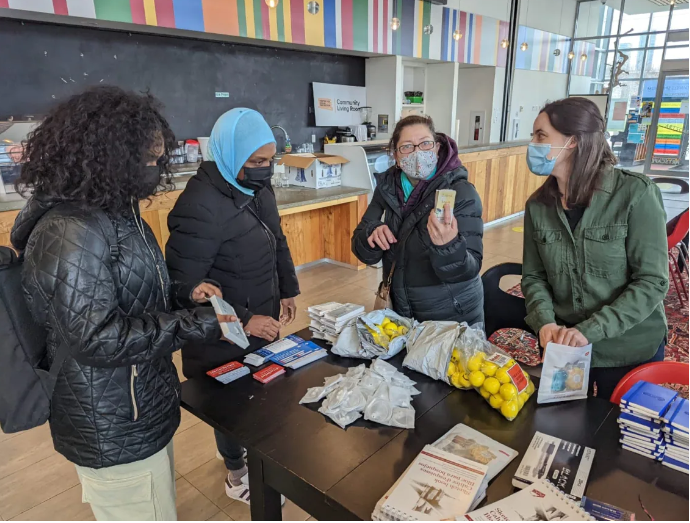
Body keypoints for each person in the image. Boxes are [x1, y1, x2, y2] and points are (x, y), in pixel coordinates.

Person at [10, 86, 237, 521]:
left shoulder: (116, 215)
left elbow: (133, 294)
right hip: (110, 418)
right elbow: (98, 339)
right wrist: (197, 324)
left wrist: (184, 294)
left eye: (158, 158)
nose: (155, 168)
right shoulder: (71, 231)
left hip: (138, 402)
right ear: (108, 157)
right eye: (148, 159)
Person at [166, 108, 299, 504]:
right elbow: (184, 288)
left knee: (259, 397)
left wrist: (287, 290)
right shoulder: (199, 207)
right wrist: (243, 320)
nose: (265, 169)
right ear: (229, 155)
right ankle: (236, 472)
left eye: (270, 160)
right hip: (219, 334)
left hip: (262, 314)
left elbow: (277, 240)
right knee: (230, 405)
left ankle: (259, 458)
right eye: (256, 162)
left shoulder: (259, 189)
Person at [521, 97, 669, 400]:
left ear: (572, 141)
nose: (533, 144)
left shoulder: (635, 194)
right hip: (567, 351)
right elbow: (534, 276)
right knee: (563, 431)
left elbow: (652, 281)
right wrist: (545, 321)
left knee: (618, 440)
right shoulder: (538, 206)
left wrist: (591, 329)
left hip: (628, 348)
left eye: (540, 135)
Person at [351, 115, 484, 324]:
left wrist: (449, 246)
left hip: (451, 314)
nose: (417, 153)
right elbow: (361, 249)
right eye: (407, 147)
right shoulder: (386, 188)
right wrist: (371, 235)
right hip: (401, 311)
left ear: (437, 147)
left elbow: (470, 268)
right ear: (395, 155)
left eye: (425, 144)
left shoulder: (461, 192)